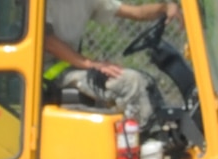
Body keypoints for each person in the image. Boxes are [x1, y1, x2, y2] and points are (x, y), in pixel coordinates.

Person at [43, 0, 182, 120]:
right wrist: (90, 64)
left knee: (145, 80)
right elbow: (48, 40)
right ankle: (141, 137)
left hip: (70, 65)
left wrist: (165, 7)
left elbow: (136, 12)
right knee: (131, 82)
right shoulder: (42, 4)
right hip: (43, 71)